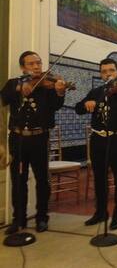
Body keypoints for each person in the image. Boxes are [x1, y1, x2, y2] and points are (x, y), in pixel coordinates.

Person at [1, 51, 66, 234]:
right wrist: (19, 89)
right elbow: (4, 98)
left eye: (38, 63)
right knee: (18, 179)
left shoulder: (48, 85)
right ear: (23, 67)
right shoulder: (13, 83)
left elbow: (56, 105)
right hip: (17, 138)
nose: (37, 66)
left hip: (39, 138)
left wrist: (60, 91)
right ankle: (18, 219)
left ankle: (42, 218)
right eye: (31, 64)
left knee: (42, 180)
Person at [75, 58, 117, 230]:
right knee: (99, 178)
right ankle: (100, 212)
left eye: (111, 70)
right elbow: (78, 108)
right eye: (104, 71)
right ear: (100, 74)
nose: (108, 74)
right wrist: (85, 104)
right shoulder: (96, 91)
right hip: (97, 139)